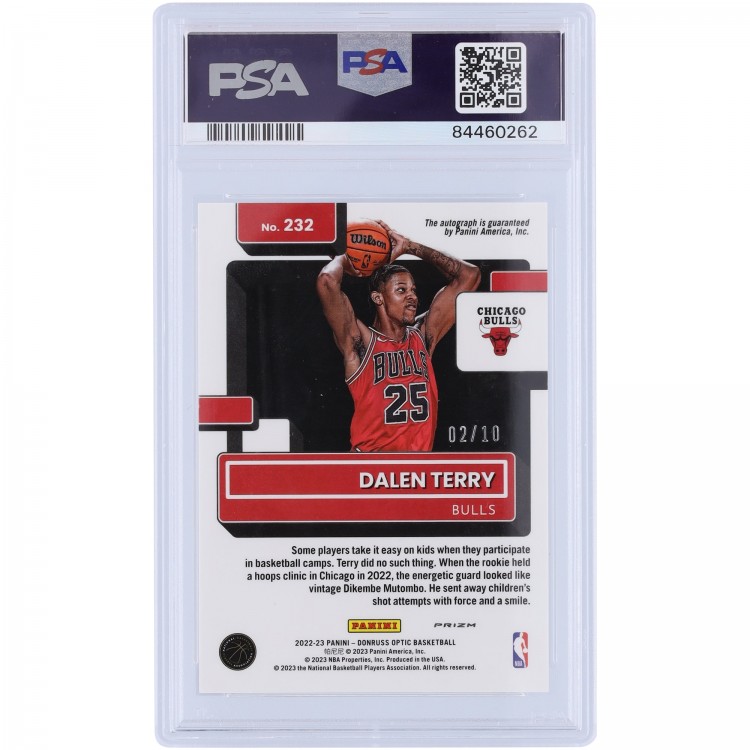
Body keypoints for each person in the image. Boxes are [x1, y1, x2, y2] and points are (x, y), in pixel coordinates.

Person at [316, 220, 480, 452]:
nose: (412, 296)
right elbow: (327, 281)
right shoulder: (362, 342)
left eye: (413, 290)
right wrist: (345, 256)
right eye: (401, 290)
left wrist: (409, 246)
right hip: (369, 467)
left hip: (414, 469)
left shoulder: (422, 336)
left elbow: (470, 275)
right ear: (378, 298)